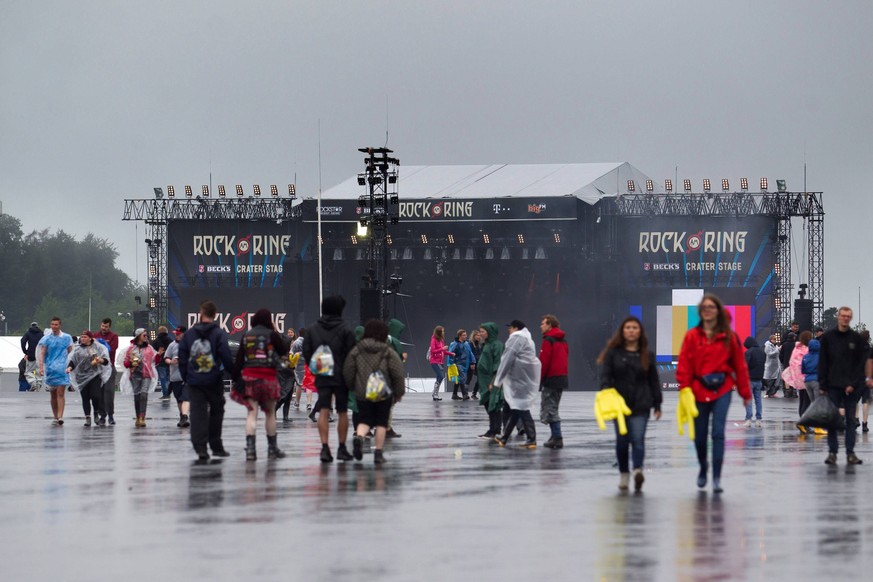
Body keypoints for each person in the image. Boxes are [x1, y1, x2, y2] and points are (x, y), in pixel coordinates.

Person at [676, 294, 751, 493]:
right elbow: (684, 362)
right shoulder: (692, 336)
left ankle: (717, 478)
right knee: (700, 436)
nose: (708, 310)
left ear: (718, 310)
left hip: (722, 389)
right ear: (701, 311)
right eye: (705, 307)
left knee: (718, 433)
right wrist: (684, 387)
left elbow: (740, 366)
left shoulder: (729, 336)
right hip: (698, 389)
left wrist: (745, 393)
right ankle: (703, 467)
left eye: (712, 307)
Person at [597, 316, 662, 491]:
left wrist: (657, 404)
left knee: (638, 440)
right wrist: (605, 389)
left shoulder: (647, 354)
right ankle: (624, 474)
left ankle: (638, 470)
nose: (631, 330)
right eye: (628, 327)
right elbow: (605, 374)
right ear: (622, 331)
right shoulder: (613, 353)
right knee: (622, 442)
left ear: (640, 331)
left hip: (641, 403)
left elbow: (653, 380)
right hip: (619, 405)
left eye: (634, 327)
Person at [179, 300, 236, 461]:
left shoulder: (189, 334)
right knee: (217, 410)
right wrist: (235, 375)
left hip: (194, 380)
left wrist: (186, 377)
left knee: (197, 413)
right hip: (213, 379)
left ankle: (200, 448)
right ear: (215, 315)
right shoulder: (219, 333)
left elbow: (182, 357)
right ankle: (216, 445)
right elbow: (226, 355)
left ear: (201, 314)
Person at [231, 308, 290, 461]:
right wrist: (275, 331)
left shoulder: (246, 336)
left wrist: (236, 379)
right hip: (269, 378)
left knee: (252, 413)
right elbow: (284, 350)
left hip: (250, 379)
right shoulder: (272, 335)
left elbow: (238, 362)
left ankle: (250, 450)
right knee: (270, 414)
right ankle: (272, 449)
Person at [303, 295, 356, 463]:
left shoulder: (312, 329)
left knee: (324, 410)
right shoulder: (346, 329)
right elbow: (352, 354)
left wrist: (319, 366)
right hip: (341, 376)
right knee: (342, 412)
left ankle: (325, 448)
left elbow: (307, 351)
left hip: (323, 373)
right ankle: (341, 448)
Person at [344, 319, 406, 464]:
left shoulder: (357, 350)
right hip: (382, 392)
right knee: (381, 423)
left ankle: (359, 437)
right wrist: (399, 392)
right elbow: (397, 373)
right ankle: (378, 453)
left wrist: (352, 386)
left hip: (362, 391)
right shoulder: (388, 351)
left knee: (364, 420)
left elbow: (348, 370)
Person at [818, 306, 866, 465]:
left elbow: (860, 365)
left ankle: (850, 452)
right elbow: (823, 362)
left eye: (848, 316)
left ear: (850, 318)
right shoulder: (828, 338)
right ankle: (832, 452)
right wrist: (822, 384)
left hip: (851, 387)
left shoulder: (856, 339)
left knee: (850, 420)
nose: (845, 318)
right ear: (838, 317)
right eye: (843, 315)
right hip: (832, 385)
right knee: (832, 420)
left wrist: (853, 384)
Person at [493, 320, 540, 449]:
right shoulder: (528, 339)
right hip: (525, 379)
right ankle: (504, 437)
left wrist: (498, 380)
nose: (509, 330)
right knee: (515, 408)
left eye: (510, 327)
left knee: (521, 408)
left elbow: (507, 359)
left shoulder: (516, 338)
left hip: (518, 380)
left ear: (516, 328)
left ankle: (532, 439)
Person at [66, 330, 111, 426]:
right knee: (85, 397)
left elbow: (106, 361)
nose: (83, 339)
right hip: (81, 377)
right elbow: (73, 361)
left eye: (85, 337)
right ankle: (87, 418)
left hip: (95, 375)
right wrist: (69, 368)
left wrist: (100, 360)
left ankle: (95, 412)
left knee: (96, 396)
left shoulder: (98, 347)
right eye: (81, 337)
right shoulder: (77, 349)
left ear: (90, 338)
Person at [539, 314, 569, 449]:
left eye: (543, 323)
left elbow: (544, 362)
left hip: (551, 378)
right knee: (554, 406)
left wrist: (540, 379)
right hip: (562, 377)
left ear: (550, 325)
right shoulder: (563, 340)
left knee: (550, 408)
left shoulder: (548, 340)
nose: (541, 326)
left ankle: (557, 437)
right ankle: (554, 436)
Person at [37, 317, 74, 425]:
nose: (54, 326)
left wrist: (71, 366)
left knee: (60, 393)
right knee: (53, 394)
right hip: (51, 369)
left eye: (56, 324)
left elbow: (71, 353)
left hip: (62, 369)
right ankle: (55, 416)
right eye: (52, 324)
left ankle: (60, 416)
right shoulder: (47, 339)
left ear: (60, 325)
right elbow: (42, 353)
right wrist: (41, 367)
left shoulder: (66, 338)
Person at [121, 328, 158, 427]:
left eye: (147, 335)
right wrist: (131, 363)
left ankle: (142, 417)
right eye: (144, 335)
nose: (146, 337)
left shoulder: (149, 348)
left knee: (143, 394)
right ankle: (137, 417)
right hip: (135, 375)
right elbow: (125, 362)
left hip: (147, 375)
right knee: (137, 396)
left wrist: (159, 356)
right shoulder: (131, 349)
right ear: (138, 337)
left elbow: (155, 361)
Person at [476, 322, 504, 439]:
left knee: (493, 405)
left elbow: (498, 363)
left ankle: (494, 430)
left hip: (491, 380)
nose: (480, 334)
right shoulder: (487, 344)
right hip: (485, 381)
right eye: (480, 331)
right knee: (489, 404)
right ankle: (494, 429)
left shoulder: (496, 345)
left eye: (483, 331)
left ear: (490, 332)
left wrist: (494, 381)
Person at [784, 331, 812, 431]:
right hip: (807, 378)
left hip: (798, 379)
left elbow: (792, 362)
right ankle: (804, 423)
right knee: (807, 402)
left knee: (802, 401)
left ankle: (802, 420)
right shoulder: (807, 350)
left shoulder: (796, 349)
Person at [94, 318, 120, 425]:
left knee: (109, 392)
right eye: (102, 326)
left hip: (109, 367)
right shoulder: (95, 335)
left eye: (106, 327)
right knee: (99, 393)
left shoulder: (114, 336)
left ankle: (110, 415)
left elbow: (112, 349)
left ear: (110, 327)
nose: (104, 328)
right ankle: (102, 416)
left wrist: (102, 344)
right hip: (98, 369)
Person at [164, 326, 191, 428]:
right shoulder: (172, 345)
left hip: (188, 376)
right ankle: (182, 416)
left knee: (185, 396)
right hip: (175, 376)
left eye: (178, 334)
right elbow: (166, 357)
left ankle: (184, 416)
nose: (176, 335)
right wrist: (171, 361)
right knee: (179, 398)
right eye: (176, 333)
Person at [742, 336, 765, 428]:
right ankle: (758, 419)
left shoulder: (748, 352)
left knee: (748, 400)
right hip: (759, 379)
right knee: (758, 400)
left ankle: (748, 419)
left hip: (749, 379)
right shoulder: (762, 352)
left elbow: (744, 366)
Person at [801, 337, 822, 434]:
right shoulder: (820, 357)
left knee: (813, 403)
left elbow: (803, 370)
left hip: (807, 381)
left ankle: (804, 422)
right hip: (817, 380)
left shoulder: (805, 357)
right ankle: (818, 427)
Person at [428, 325, 453, 401]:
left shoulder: (441, 340)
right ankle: (434, 393)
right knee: (441, 376)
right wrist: (442, 348)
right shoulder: (434, 339)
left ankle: (435, 394)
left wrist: (450, 353)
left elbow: (443, 352)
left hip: (440, 361)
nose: (443, 332)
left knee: (439, 377)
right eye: (442, 331)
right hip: (435, 361)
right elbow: (433, 350)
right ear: (439, 332)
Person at [449, 329, 475, 400]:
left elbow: (470, 353)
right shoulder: (454, 344)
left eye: (466, 335)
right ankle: (464, 394)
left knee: (458, 379)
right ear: (459, 336)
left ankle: (454, 394)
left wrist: (473, 362)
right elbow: (451, 354)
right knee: (462, 378)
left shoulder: (466, 343)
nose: (465, 336)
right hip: (458, 364)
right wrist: (451, 364)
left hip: (465, 364)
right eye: (463, 335)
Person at [152, 325, 173, 400]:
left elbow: (153, 352)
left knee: (163, 379)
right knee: (168, 378)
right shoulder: (171, 340)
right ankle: (168, 393)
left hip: (160, 363)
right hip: (169, 361)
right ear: (166, 331)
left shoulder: (156, 341)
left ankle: (165, 394)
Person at [20, 321, 43, 390]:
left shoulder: (28, 333)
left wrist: (25, 352)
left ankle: (33, 382)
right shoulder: (41, 333)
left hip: (31, 354)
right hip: (40, 355)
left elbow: (23, 341)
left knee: (28, 372)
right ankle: (38, 385)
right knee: (39, 372)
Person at [779, 332, 798, 397]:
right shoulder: (795, 344)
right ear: (793, 337)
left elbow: (781, 354)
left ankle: (787, 391)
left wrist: (783, 361)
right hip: (794, 363)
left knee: (787, 377)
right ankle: (794, 391)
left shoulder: (784, 344)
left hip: (786, 363)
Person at [469, 330, 483, 400]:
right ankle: (469, 393)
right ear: (474, 336)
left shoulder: (480, 344)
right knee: (468, 379)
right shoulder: (470, 344)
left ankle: (474, 393)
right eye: (477, 335)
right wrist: (472, 363)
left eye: (479, 335)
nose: (479, 336)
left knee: (480, 378)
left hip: (479, 363)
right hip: (473, 363)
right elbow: (470, 354)